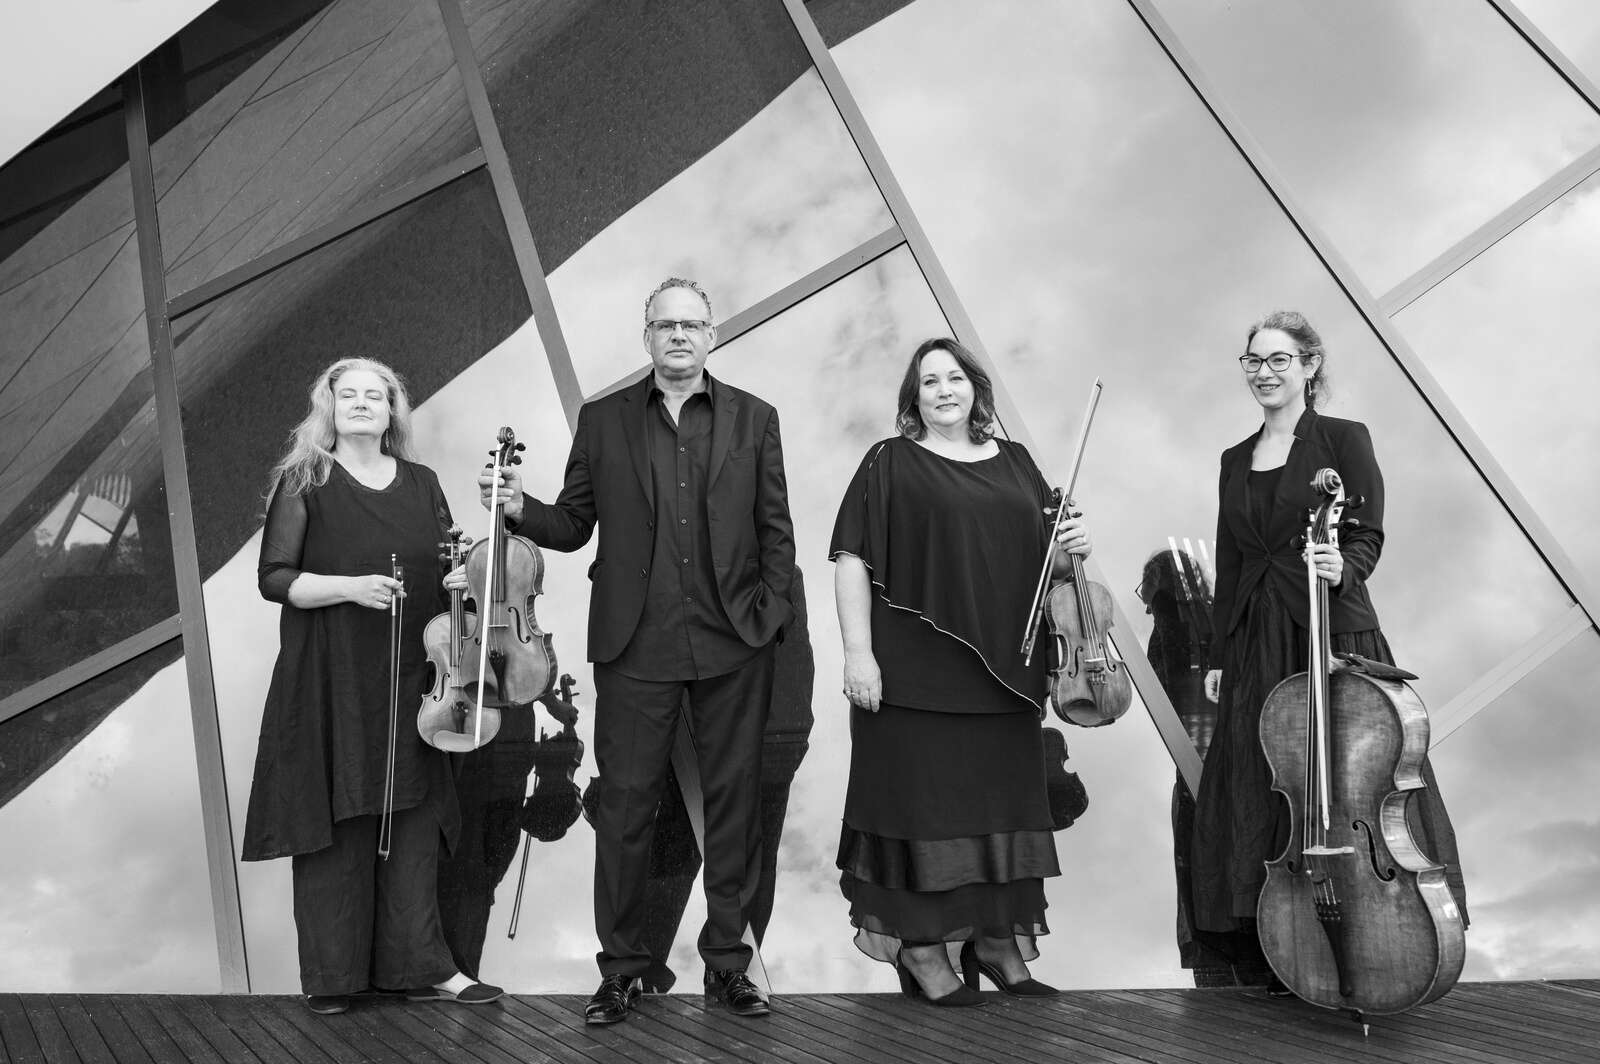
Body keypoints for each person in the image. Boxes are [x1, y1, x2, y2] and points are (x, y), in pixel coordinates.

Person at [480, 278, 795, 1023]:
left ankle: (728, 966)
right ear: (646, 336)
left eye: (692, 325)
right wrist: (521, 509)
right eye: (665, 325)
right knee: (624, 810)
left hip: (733, 644)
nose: (679, 336)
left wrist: (769, 613)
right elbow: (573, 524)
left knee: (732, 808)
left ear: (711, 335)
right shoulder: (604, 420)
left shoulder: (756, 418)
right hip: (634, 645)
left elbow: (775, 527)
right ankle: (619, 970)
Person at [1189, 311, 1468, 992]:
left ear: (1310, 366)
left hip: (1327, 624)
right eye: (1253, 360)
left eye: (1279, 359)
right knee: (1264, 778)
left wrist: (1345, 566)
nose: (1264, 371)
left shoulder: (1343, 438)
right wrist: (1222, 651)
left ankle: (1377, 931)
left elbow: (1367, 529)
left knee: (1354, 780)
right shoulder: (1234, 459)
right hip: (1259, 635)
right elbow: (1230, 561)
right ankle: (1279, 942)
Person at [831, 337, 1090, 1006]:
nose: (945, 389)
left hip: (1008, 675)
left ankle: (998, 940)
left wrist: (1071, 552)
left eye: (955, 378)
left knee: (1000, 809)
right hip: (912, 675)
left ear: (976, 389)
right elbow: (852, 559)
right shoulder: (890, 461)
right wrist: (858, 653)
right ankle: (921, 949)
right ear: (913, 399)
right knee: (919, 813)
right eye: (929, 382)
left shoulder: (1018, 463)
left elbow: (1046, 572)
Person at [241, 358, 501, 1014]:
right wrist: (349, 588)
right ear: (328, 407)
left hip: (414, 678)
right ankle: (333, 979)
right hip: (332, 676)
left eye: (374, 396)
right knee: (336, 819)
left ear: (392, 411)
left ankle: (427, 968)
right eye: (347, 394)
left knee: (413, 820)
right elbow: (275, 577)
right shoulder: (305, 479)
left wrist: (462, 580)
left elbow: (451, 566)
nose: (361, 404)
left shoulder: (422, 482)